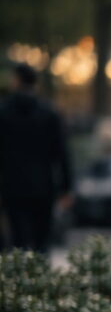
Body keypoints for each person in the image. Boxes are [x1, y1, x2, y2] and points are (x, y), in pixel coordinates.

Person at [0, 63, 73, 252]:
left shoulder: (4, 112)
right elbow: (61, 152)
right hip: (43, 186)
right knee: (42, 243)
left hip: (12, 186)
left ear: (17, 80)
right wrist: (66, 187)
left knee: (18, 242)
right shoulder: (49, 114)